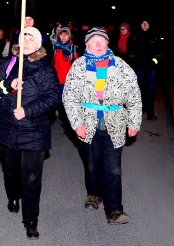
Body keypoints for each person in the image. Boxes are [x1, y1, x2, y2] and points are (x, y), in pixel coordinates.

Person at [62, 27, 142, 225]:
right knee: (91, 163)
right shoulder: (78, 66)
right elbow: (69, 97)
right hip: (87, 124)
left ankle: (114, 209)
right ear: (87, 44)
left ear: (108, 43)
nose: (98, 44)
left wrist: (134, 122)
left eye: (102, 40)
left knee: (113, 168)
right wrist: (77, 123)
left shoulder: (121, 66)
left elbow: (134, 96)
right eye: (93, 40)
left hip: (114, 123)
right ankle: (93, 194)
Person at [0, 26, 59, 240]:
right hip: (8, 128)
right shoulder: (10, 63)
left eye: (31, 37)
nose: (27, 41)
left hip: (34, 131)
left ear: (39, 44)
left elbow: (54, 97)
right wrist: (9, 85)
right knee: (10, 171)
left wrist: (28, 110)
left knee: (31, 178)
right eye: (24, 37)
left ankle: (31, 220)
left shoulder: (46, 68)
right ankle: (13, 195)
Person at [129, 20, 161, 121]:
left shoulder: (154, 36)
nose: (145, 25)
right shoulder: (135, 36)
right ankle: (139, 112)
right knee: (139, 90)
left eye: (147, 23)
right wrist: (134, 61)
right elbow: (131, 51)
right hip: (139, 67)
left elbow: (160, 51)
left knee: (150, 90)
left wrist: (155, 61)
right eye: (143, 23)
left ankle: (150, 113)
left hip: (151, 67)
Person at [51, 26, 79, 130]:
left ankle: (67, 121)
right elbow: (53, 62)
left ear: (69, 36)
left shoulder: (73, 48)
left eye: (65, 34)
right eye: (61, 34)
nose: (63, 37)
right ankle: (59, 117)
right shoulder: (55, 47)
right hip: (57, 79)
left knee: (66, 102)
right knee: (57, 101)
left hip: (67, 81)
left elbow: (76, 64)